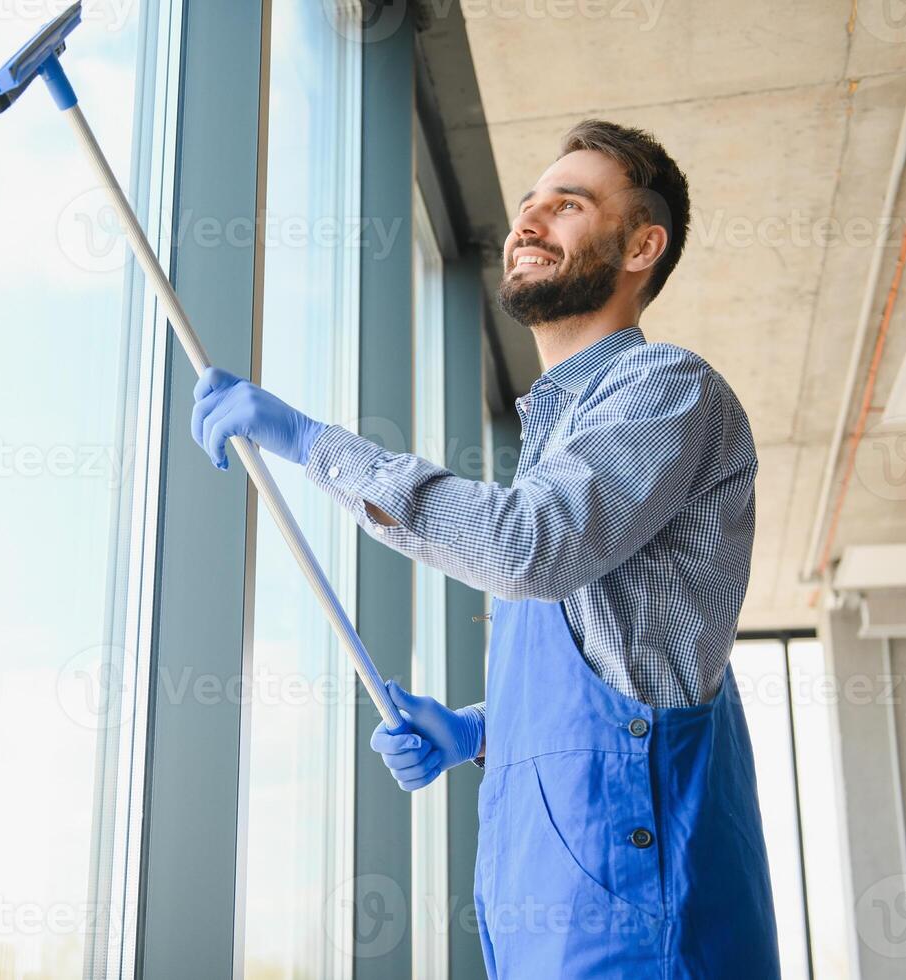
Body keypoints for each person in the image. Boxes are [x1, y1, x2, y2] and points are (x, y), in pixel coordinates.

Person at [190, 119, 779, 976]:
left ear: (641, 244)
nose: (526, 224)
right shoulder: (555, 437)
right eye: (525, 206)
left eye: (567, 205)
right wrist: (475, 733)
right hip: (554, 919)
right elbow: (622, 665)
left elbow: (528, 548)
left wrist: (309, 441)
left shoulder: (666, 389)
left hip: (645, 929)